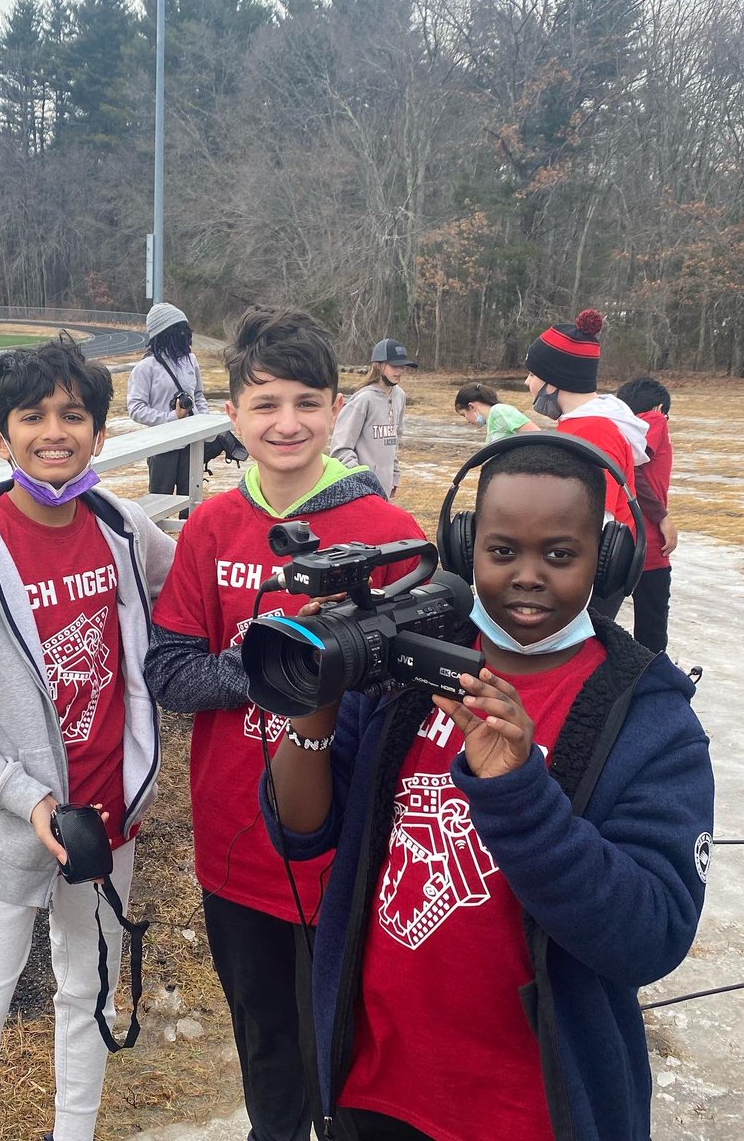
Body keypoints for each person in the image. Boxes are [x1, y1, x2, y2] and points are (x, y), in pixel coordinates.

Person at [262, 434, 714, 1141]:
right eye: (502, 551)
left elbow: (650, 935)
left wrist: (518, 790)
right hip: (374, 1086)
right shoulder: (406, 668)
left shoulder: (649, 717)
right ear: (466, 544)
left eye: (558, 555)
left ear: (608, 558)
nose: (527, 575)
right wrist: (311, 707)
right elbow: (299, 831)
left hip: (531, 1109)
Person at [144, 307, 428, 1141]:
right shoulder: (211, 527)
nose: (287, 422)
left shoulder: (386, 532)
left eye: (307, 402)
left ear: (336, 408)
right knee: (267, 1057)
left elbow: (413, 697)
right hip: (234, 845)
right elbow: (169, 671)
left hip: (349, 854)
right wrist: (286, 662)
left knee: (344, 1062)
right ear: (231, 415)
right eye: (265, 403)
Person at [0, 337, 176, 1141]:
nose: (55, 431)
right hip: (6, 841)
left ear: (98, 434)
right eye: (33, 415)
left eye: (74, 415)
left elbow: (185, 589)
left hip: (108, 829)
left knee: (89, 998)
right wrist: (28, 799)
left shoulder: (121, 527)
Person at [524, 308, 649, 618]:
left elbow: (596, 518)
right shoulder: (583, 424)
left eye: (532, 375)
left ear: (554, 381)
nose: (527, 384)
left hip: (593, 577)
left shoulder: (593, 430)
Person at [616, 376, 678, 651]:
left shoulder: (618, 428)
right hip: (649, 539)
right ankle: (652, 682)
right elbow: (634, 471)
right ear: (659, 407)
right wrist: (662, 516)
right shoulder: (654, 420)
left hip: (619, 536)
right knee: (652, 625)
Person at [127, 301, 210, 499]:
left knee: (192, 500)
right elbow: (136, 408)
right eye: (178, 331)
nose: (184, 336)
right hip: (162, 446)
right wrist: (171, 416)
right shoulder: (146, 368)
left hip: (192, 443)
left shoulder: (191, 360)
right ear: (164, 334)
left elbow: (198, 394)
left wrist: (203, 420)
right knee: (159, 500)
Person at [330, 337, 417, 497]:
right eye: (394, 366)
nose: (400, 371)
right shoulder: (363, 399)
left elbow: (395, 442)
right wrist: (362, 481)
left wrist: (394, 477)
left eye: (403, 366)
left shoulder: (400, 396)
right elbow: (340, 449)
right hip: (360, 492)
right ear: (379, 365)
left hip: (384, 489)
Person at [454, 381, 540, 444]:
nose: (467, 421)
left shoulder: (499, 411)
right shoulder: (492, 421)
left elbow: (538, 436)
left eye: (463, 415)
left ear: (471, 407)